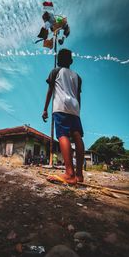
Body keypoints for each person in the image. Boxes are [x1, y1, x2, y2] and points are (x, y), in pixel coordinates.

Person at [42, 48, 85, 184]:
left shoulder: (55, 71)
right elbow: (78, 96)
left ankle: (69, 174)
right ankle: (79, 175)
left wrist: (45, 109)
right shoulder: (78, 77)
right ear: (71, 61)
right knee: (77, 135)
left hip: (61, 106)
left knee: (63, 135)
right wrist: (78, 111)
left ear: (58, 60)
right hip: (75, 107)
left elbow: (50, 91)